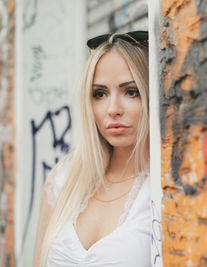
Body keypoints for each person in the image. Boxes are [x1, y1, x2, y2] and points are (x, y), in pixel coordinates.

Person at [33, 31, 151, 267]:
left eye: (131, 91)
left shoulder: (162, 190)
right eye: (100, 94)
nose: (113, 109)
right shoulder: (64, 180)